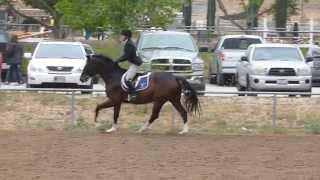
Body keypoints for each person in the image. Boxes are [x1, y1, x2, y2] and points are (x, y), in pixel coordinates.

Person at [115, 30, 142, 101]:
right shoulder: (128, 43)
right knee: (125, 77)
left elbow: (126, 56)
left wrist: (117, 61)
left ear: (126, 36)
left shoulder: (129, 44)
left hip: (135, 64)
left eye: (122, 35)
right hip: (133, 64)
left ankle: (133, 94)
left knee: (127, 79)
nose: (120, 37)